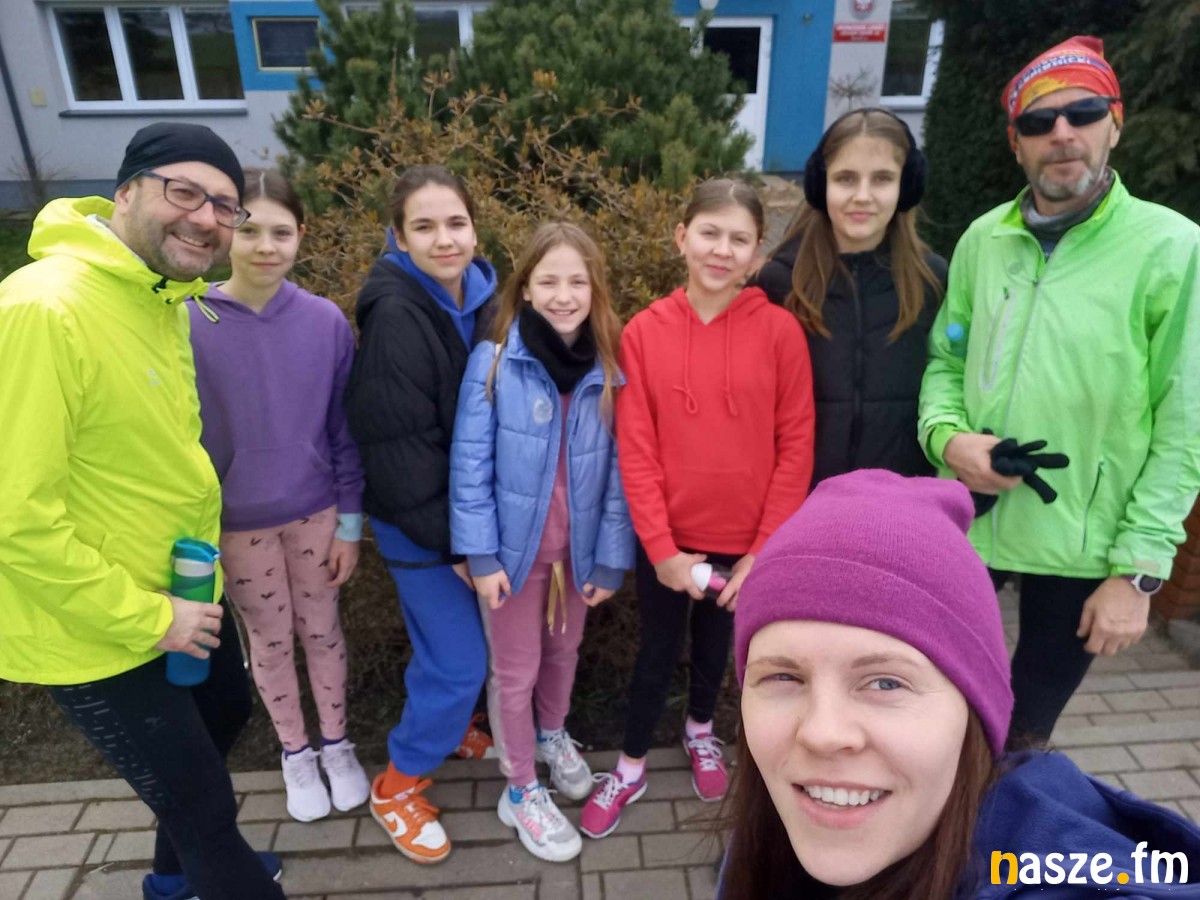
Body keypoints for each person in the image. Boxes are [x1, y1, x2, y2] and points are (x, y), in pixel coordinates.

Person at [0, 123, 285, 899]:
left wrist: (182, 598)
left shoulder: (160, 298)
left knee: (226, 711)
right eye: (183, 192)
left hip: (179, 589)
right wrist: (151, 618)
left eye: (224, 205)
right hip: (96, 627)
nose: (205, 218)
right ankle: (204, 866)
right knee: (205, 807)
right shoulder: (44, 309)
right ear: (125, 192)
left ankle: (173, 878)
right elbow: (15, 518)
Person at [722, 469, 1200, 899]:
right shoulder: (766, 836)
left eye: (885, 683)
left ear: (974, 711)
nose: (821, 733)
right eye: (783, 676)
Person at [918, 36, 1200, 748]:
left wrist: (1139, 573)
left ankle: (996, 816)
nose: (1062, 133)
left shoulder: (1173, 248)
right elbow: (946, 361)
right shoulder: (983, 240)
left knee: (1020, 733)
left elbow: (1184, 423)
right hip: (974, 521)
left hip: (1085, 545)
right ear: (1017, 143)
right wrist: (947, 439)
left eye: (1083, 112)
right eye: (1039, 121)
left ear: (1116, 123)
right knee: (937, 703)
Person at [580, 179, 815, 838]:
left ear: (757, 253)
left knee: (718, 650)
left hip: (745, 544)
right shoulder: (644, 333)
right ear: (682, 238)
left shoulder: (781, 333)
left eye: (739, 239)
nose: (721, 249)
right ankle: (629, 765)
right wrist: (660, 550)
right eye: (710, 233)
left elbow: (796, 446)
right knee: (656, 653)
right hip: (671, 543)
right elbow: (636, 448)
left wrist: (763, 551)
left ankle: (701, 732)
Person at [188, 168, 370, 824]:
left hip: (316, 513)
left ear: (301, 236)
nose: (265, 246)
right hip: (237, 526)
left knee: (322, 630)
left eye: (281, 232)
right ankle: (296, 753)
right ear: (225, 231)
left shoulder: (325, 322)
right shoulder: (189, 319)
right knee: (268, 640)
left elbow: (343, 428)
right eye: (250, 230)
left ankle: (337, 745)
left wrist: (350, 523)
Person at [449, 221, 635, 862]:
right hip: (511, 559)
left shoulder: (610, 367)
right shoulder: (495, 362)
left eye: (577, 281)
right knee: (515, 671)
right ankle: (521, 786)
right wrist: (480, 554)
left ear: (594, 289)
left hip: (575, 557)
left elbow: (623, 472)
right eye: (548, 280)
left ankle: (552, 734)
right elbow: (469, 466)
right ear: (525, 288)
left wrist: (611, 556)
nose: (563, 295)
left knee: (564, 653)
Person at [344, 164, 498, 864]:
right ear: (398, 238)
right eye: (425, 227)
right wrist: (463, 546)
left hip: (466, 518)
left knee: (451, 649)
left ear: (475, 228)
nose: (445, 240)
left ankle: (454, 729)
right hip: (422, 526)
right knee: (460, 660)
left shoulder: (484, 295)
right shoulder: (397, 316)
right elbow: (401, 452)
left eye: (456, 223)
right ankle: (399, 782)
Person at [753, 108, 945, 485]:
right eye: (845, 179)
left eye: (882, 179)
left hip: (900, 503)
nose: (862, 196)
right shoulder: (778, 283)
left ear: (906, 186)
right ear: (819, 184)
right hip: (801, 504)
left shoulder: (933, 282)